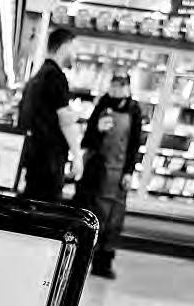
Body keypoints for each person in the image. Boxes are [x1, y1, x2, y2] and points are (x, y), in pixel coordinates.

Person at [74, 70, 143, 278]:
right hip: (98, 173)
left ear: (128, 88)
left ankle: (103, 263)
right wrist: (97, 129)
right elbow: (87, 141)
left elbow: (134, 144)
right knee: (94, 215)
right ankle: (82, 260)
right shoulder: (101, 106)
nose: (117, 88)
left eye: (121, 85)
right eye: (114, 84)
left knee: (114, 220)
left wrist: (129, 171)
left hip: (119, 175)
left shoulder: (134, 111)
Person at [17, 27, 83, 202]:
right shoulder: (56, 76)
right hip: (49, 162)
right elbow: (65, 120)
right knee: (46, 209)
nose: (75, 55)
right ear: (64, 46)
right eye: (74, 49)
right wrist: (77, 157)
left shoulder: (39, 76)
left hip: (35, 160)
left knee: (32, 205)